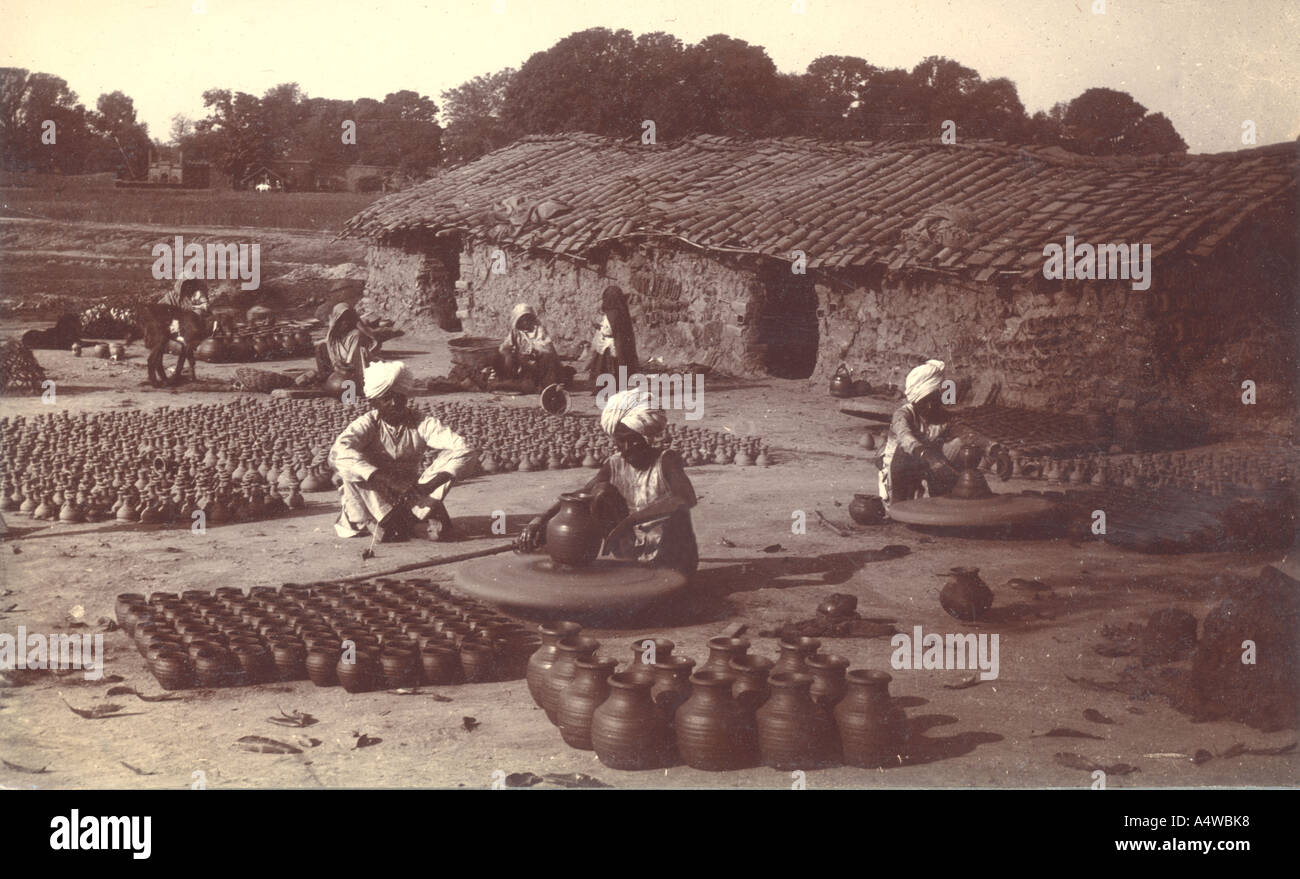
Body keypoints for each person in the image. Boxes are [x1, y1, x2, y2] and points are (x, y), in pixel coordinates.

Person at [515, 388, 699, 575]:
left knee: (676, 514)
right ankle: (630, 565)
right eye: (620, 441)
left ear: (646, 437)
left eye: (632, 440)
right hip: (634, 551)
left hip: (672, 558)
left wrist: (630, 521)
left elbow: (687, 497)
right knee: (599, 492)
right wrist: (540, 521)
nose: (626, 448)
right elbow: (582, 494)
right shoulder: (615, 463)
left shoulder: (666, 460)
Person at [329, 361, 476, 542]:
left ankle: (400, 524)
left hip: (412, 493)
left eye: (399, 397)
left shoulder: (421, 422)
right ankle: (396, 523)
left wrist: (428, 487)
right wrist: (384, 479)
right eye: (387, 398)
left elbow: (464, 448)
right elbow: (337, 453)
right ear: (373, 402)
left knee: (456, 455)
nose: (394, 403)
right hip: (374, 495)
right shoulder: (367, 424)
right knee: (349, 468)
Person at [877, 359, 966, 506]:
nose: (931, 406)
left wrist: (994, 449)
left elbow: (965, 432)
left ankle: (940, 502)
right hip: (899, 475)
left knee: (958, 447)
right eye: (926, 401)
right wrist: (930, 457)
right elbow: (906, 439)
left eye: (935, 400)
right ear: (915, 400)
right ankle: (900, 506)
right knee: (905, 451)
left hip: (927, 469)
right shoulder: (903, 415)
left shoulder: (941, 416)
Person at [494, 302, 572, 390]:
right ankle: (511, 379)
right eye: (522, 319)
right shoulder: (516, 332)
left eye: (527, 319)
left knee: (546, 361)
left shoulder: (539, 330)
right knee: (508, 356)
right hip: (526, 365)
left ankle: (546, 384)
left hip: (541, 365)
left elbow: (547, 350)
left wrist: (534, 351)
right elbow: (504, 347)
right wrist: (509, 355)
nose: (525, 322)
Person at [317, 302, 379, 397]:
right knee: (320, 347)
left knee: (361, 351)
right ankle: (326, 381)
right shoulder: (334, 335)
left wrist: (345, 367)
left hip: (354, 370)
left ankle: (360, 385)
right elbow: (330, 350)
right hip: (338, 369)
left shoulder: (355, 335)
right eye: (341, 320)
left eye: (348, 319)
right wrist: (336, 363)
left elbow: (352, 359)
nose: (345, 323)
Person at [585, 285, 639, 387]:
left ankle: (607, 386)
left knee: (607, 365)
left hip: (610, 344)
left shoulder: (613, 313)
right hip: (619, 344)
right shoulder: (622, 311)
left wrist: (599, 327)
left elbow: (609, 330)